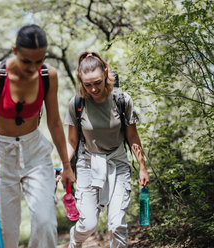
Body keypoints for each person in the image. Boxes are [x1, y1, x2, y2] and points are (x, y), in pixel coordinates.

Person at [0, 24, 75, 248]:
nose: (33, 67)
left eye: (39, 61)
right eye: (27, 61)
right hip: (0, 155)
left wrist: (66, 165)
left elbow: (55, 122)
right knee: (5, 233)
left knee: (46, 224)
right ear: (14, 50)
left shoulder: (48, 76)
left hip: (35, 151)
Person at [63, 51, 150, 248]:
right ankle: (75, 241)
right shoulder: (77, 104)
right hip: (87, 163)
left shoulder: (122, 100)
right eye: (87, 84)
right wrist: (65, 166)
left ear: (106, 73)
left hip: (117, 162)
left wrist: (142, 167)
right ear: (80, 79)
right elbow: (71, 141)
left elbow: (133, 136)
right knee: (88, 224)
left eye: (97, 82)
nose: (93, 88)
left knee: (117, 223)